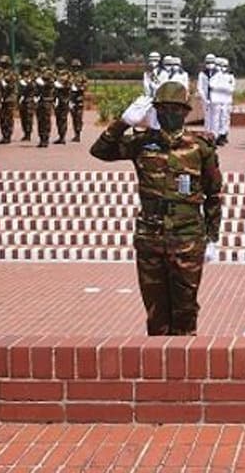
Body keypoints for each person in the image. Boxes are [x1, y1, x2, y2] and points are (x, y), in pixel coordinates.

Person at [90, 81, 223, 336]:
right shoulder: (141, 143)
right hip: (150, 238)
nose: (169, 114)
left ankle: (184, 370)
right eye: (163, 109)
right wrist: (123, 123)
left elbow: (213, 194)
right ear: (155, 111)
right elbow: (100, 151)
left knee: (185, 312)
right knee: (156, 313)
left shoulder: (200, 147)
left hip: (187, 238)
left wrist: (213, 237)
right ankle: (159, 370)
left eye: (175, 109)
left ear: (185, 112)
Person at [208, 57, 234, 146]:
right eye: (221, 65)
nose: (223, 68)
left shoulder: (230, 76)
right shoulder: (214, 75)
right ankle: (214, 136)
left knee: (224, 118)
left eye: (225, 66)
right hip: (216, 99)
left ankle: (222, 135)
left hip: (226, 100)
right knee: (215, 119)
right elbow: (212, 85)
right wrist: (224, 88)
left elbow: (231, 88)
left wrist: (222, 88)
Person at [69, 59, 87, 143]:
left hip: (79, 98)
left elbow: (85, 85)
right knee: (73, 117)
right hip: (71, 98)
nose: (75, 68)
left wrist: (79, 88)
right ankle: (75, 133)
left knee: (78, 117)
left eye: (77, 67)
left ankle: (78, 134)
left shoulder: (82, 76)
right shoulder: (69, 75)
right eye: (74, 67)